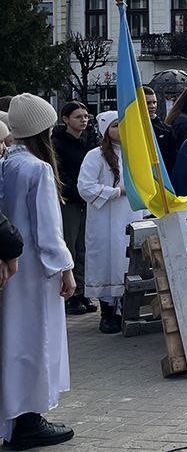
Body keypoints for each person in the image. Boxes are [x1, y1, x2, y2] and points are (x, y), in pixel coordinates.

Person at [1, 93, 76, 450]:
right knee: (38, 339)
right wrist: (65, 268)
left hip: (10, 266)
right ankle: (29, 417)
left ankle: (13, 414)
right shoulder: (38, 168)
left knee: (13, 339)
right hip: (35, 269)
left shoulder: (7, 162)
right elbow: (48, 229)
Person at [77, 111, 145, 334]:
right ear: (106, 129)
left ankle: (127, 307)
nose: (119, 130)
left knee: (127, 260)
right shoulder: (95, 156)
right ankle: (107, 311)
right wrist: (116, 192)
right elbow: (85, 187)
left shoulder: (135, 153)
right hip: (105, 219)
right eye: (115, 126)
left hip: (131, 215)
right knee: (108, 260)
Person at [51, 101, 95, 316]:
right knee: (70, 242)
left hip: (88, 200)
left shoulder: (91, 141)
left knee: (84, 246)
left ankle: (82, 289)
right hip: (69, 199)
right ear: (66, 119)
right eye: (78, 117)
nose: (84, 120)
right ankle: (69, 295)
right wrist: (78, 191)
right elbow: (59, 173)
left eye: (86, 116)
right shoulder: (57, 143)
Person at [142, 87, 177, 174]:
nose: (152, 106)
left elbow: (172, 159)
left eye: (154, 102)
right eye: (147, 103)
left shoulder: (166, 130)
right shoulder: (130, 129)